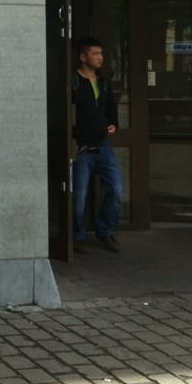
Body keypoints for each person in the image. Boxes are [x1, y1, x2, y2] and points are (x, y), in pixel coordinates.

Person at [71, 36, 123, 253]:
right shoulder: (73, 82)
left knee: (117, 189)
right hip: (83, 148)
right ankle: (77, 236)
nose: (100, 58)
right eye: (95, 54)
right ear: (83, 57)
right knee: (79, 196)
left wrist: (114, 125)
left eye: (101, 54)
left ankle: (105, 230)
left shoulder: (103, 81)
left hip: (103, 146)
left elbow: (111, 108)